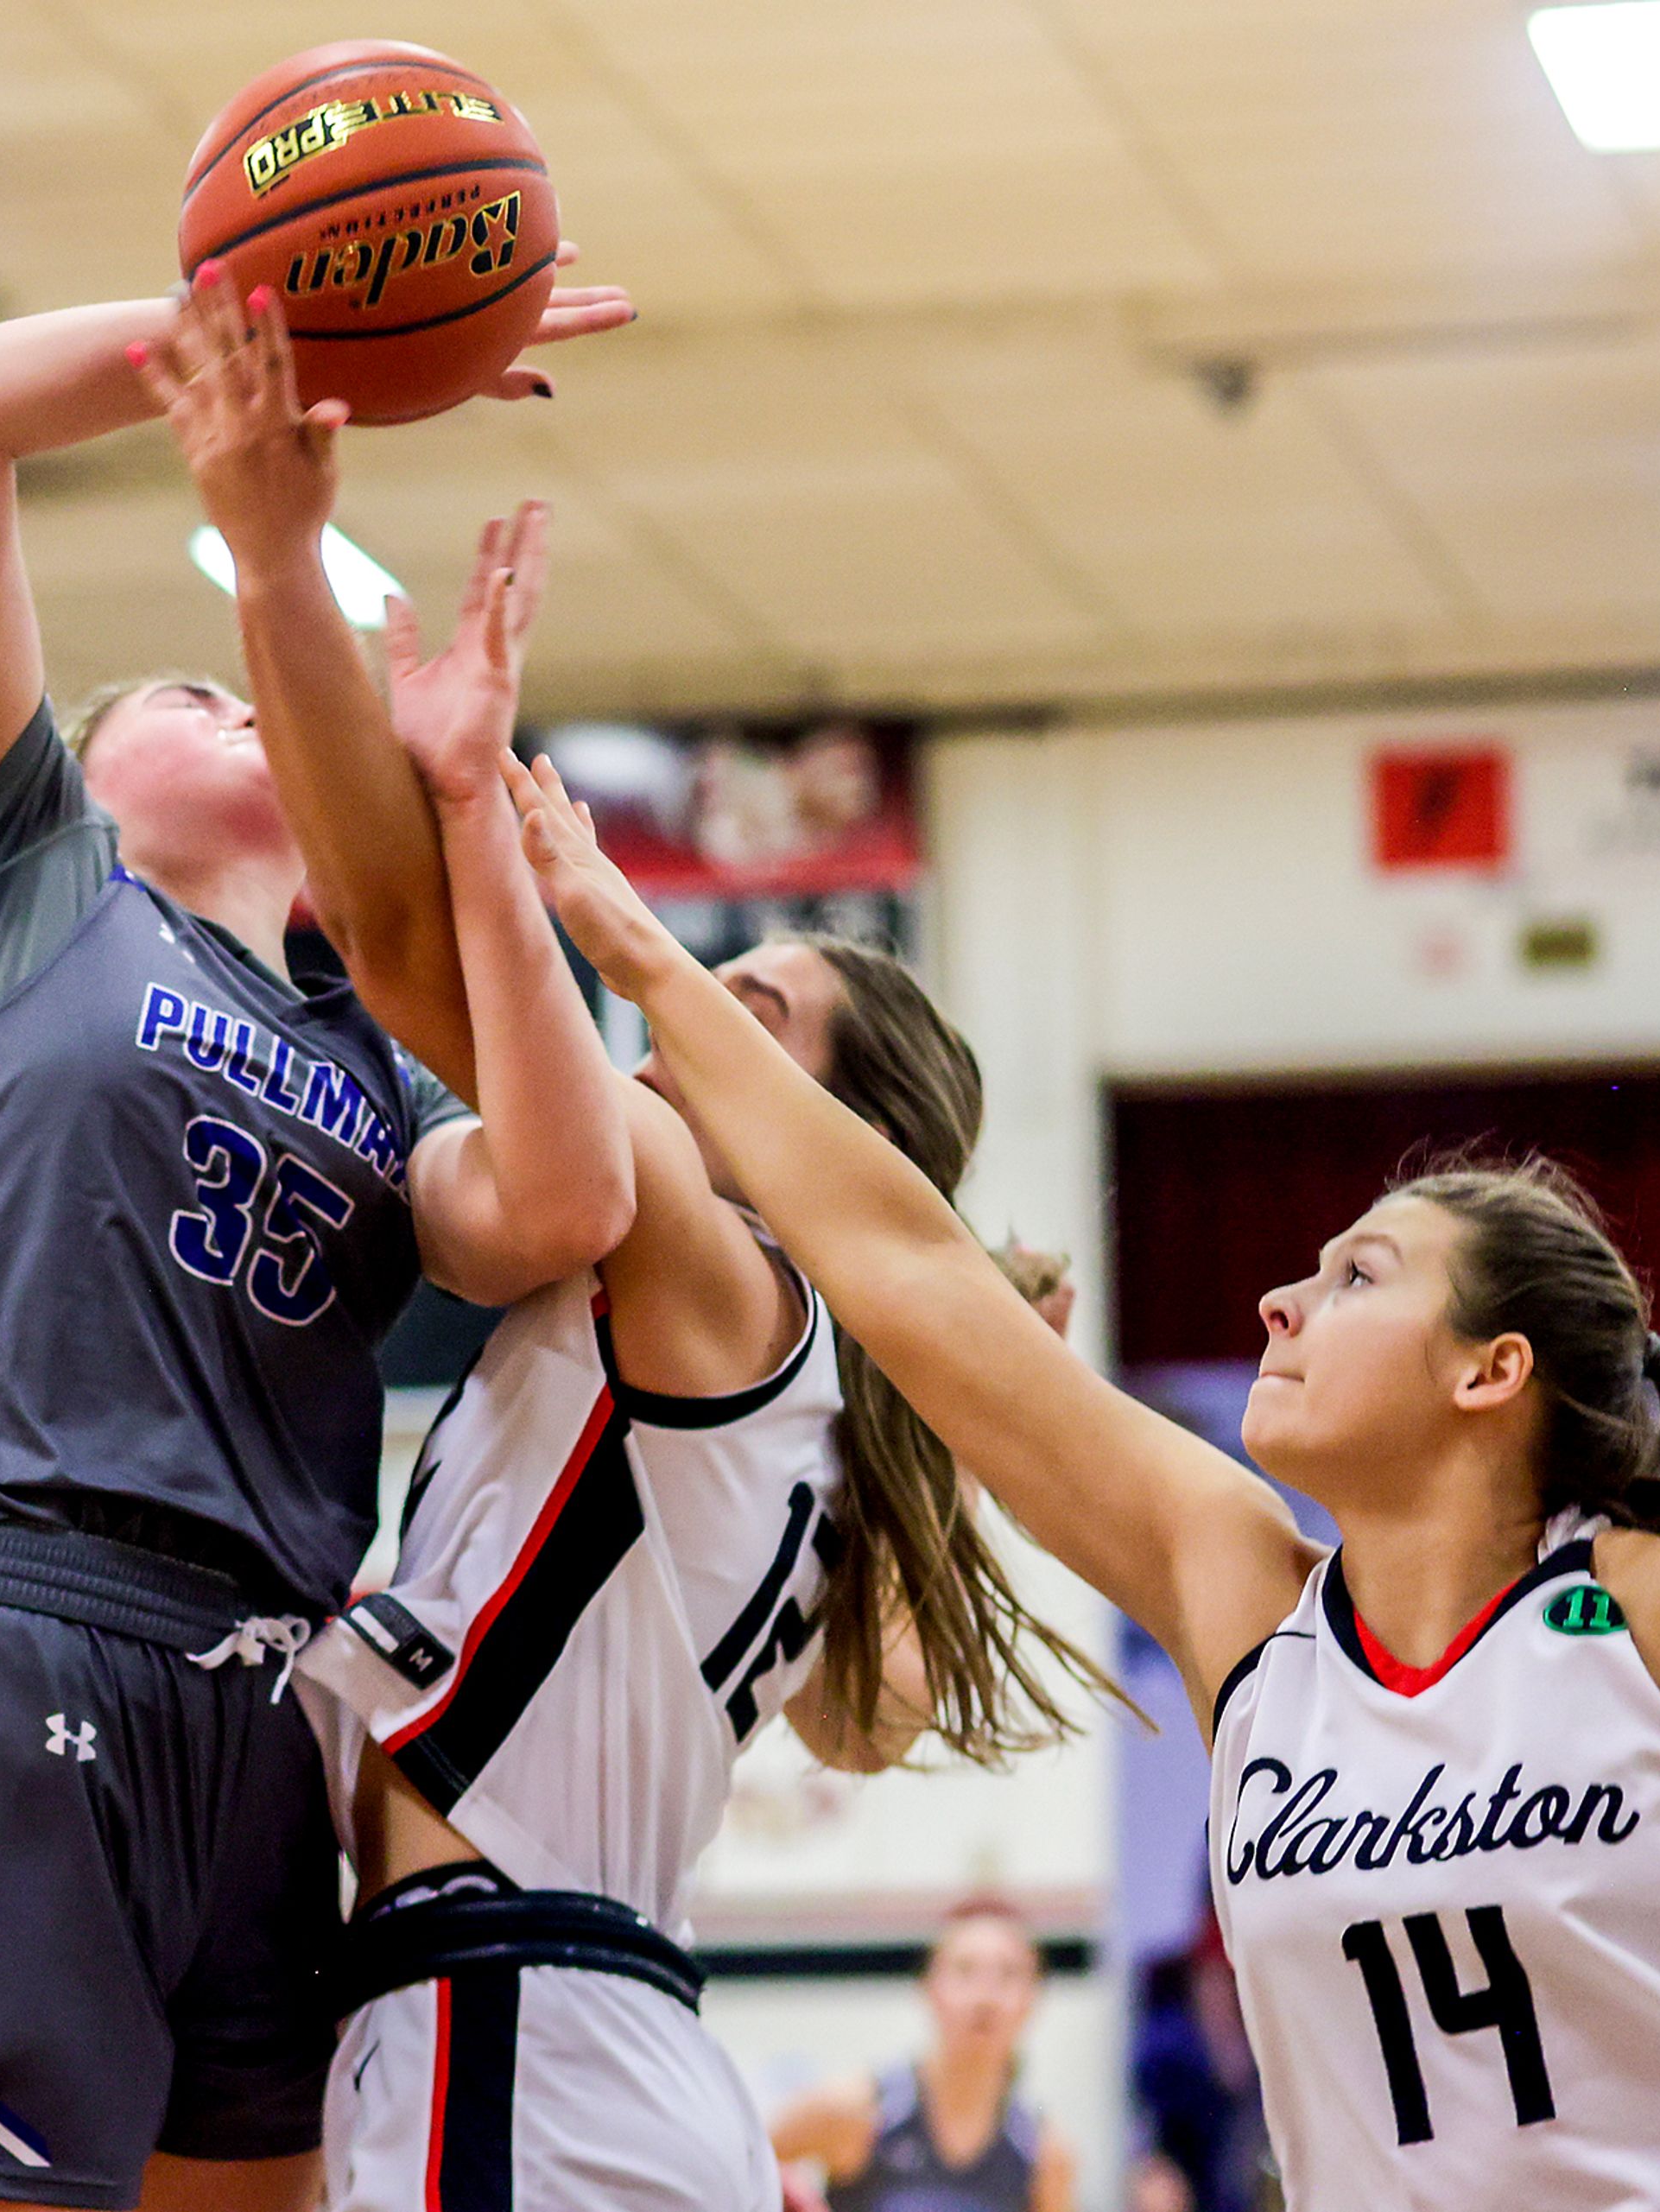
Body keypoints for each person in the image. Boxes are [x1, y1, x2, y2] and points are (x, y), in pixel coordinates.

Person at [504, 752, 1660, 2212]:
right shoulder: (1247, 1605)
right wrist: (628, 954)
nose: (1279, 1300)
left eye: (1358, 1278)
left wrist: (643, 950)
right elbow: (905, 1264)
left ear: (1492, 1370)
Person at [126, 274, 1112, 2212]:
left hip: (516, 2036)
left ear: (815, 1119)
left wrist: (306, 597)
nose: (677, 1025)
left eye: (743, 1003)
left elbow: (406, 950)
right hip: (595, 2039)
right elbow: (864, 1708)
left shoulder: (727, 1273)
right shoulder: (801, 1384)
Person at [0, 253, 632, 2212]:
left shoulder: (371, 1050)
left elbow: (569, 1202)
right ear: (87, 763)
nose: (237, 696)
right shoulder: (22, 879)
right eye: (184, 686)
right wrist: (276, 337)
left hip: (266, 1704)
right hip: (16, 1618)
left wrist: (474, 814)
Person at [768, 1899, 1080, 2212]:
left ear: (1033, 1999)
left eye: (1008, 1975)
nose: (986, 1996)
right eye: (965, 1970)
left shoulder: (1044, 2155)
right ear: (930, 1988)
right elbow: (741, 2163)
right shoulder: (857, 2111)